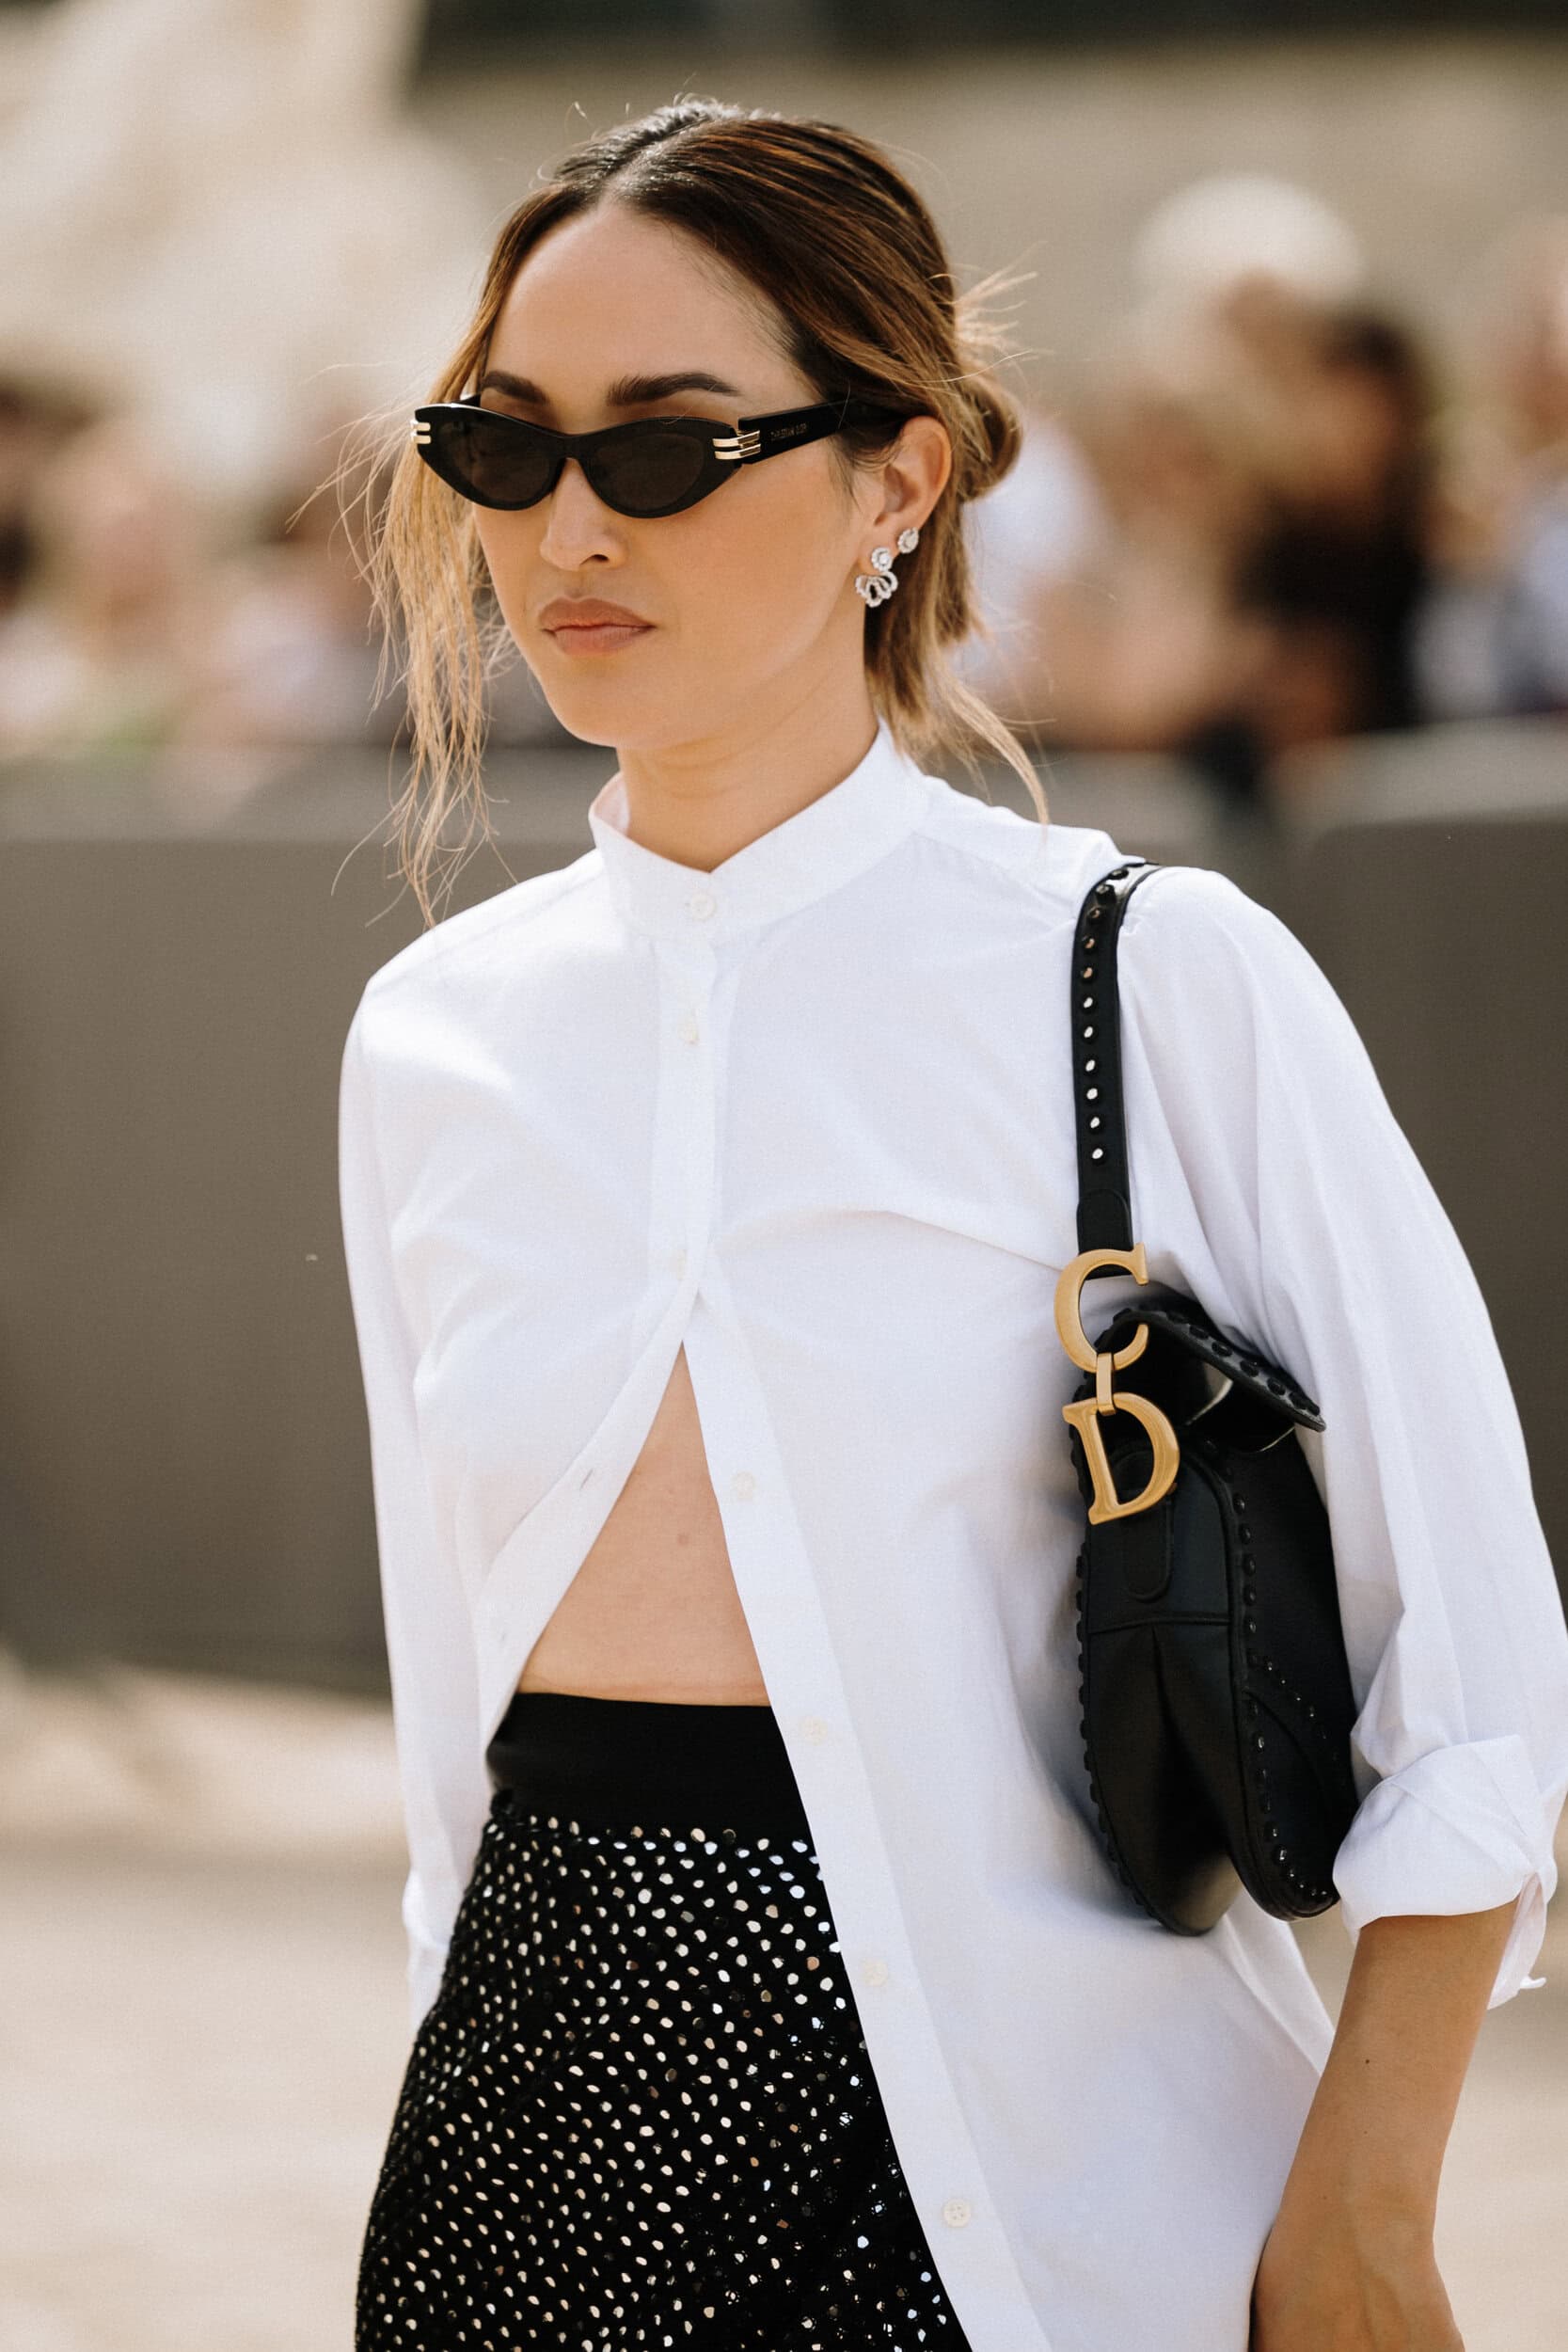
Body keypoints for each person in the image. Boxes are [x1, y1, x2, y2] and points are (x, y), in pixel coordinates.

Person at [333, 100, 1568, 2352]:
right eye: (506, 446)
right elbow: (450, 1736)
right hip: (520, 2157)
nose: (570, 524)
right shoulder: (436, 1039)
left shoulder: (1150, 978)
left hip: (1040, 2197)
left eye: (668, 445)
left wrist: (1367, 2219)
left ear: (897, 481)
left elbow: (1477, 1661)